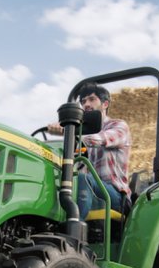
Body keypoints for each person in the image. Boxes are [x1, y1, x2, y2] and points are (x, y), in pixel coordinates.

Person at [47, 82, 131, 219]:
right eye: (83, 101)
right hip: (91, 194)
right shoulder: (80, 135)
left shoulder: (118, 126)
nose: (86, 104)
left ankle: (74, 226)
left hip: (115, 195)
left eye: (92, 99)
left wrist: (67, 131)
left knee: (83, 179)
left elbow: (101, 138)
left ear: (105, 104)